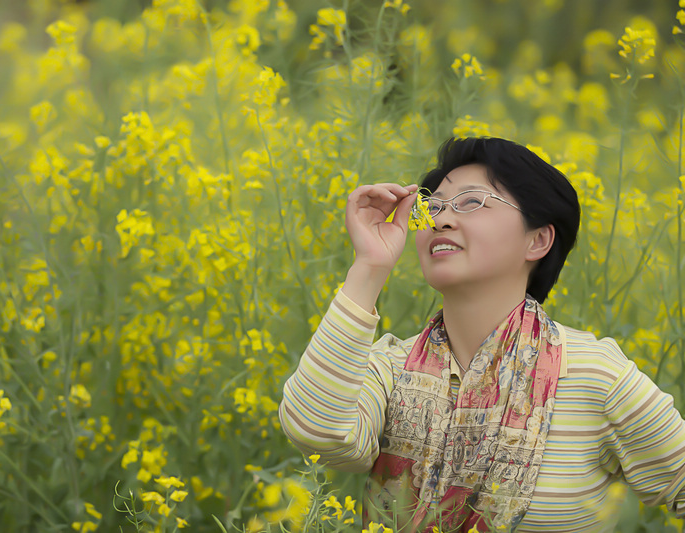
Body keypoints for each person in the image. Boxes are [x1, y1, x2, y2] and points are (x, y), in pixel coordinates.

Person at [278, 137, 685, 532]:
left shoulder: (594, 376)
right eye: (432, 205)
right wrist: (370, 265)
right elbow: (316, 433)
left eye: (471, 202)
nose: (440, 218)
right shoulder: (391, 370)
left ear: (538, 239)